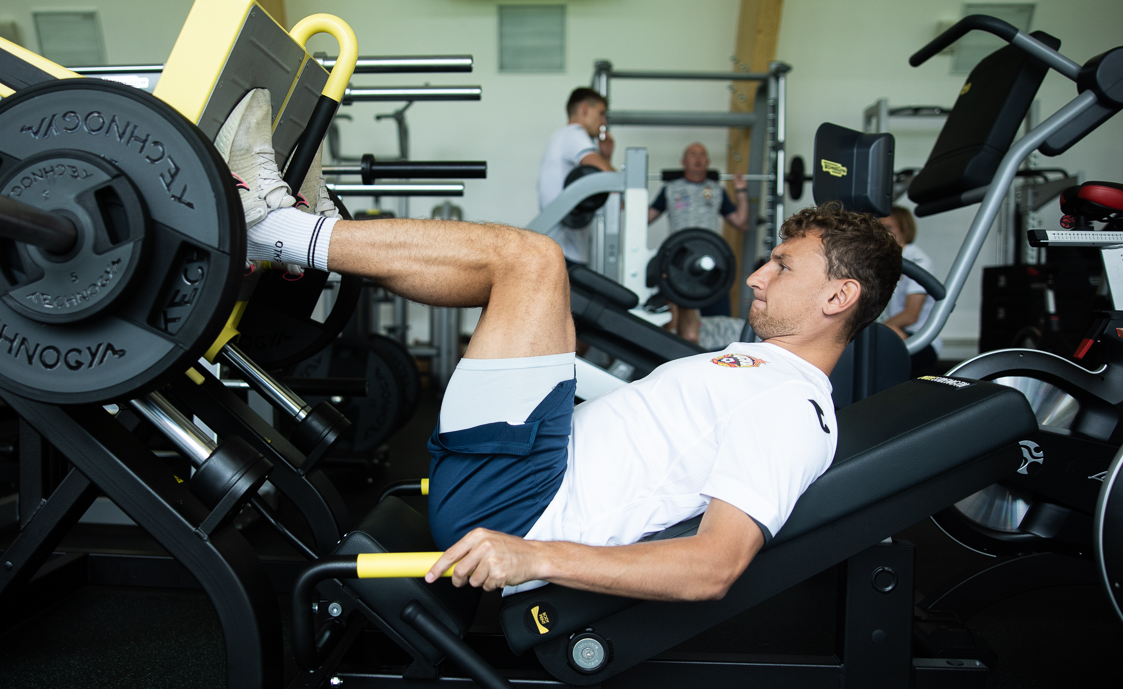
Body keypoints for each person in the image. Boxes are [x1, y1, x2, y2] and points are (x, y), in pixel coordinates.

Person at [222, 89, 903, 603]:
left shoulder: (789, 408)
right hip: (535, 461)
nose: (755, 275)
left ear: (837, 297)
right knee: (522, 276)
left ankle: (275, 228)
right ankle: (304, 235)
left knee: (531, 260)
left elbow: (713, 567)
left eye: (781, 267)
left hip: (518, 505)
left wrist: (534, 557)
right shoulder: (764, 370)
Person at [648, 142, 750, 343]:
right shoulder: (670, 189)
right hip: (679, 263)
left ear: (708, 161)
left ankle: (719, 355)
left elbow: (740, 222)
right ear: (683, 161)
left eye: (702, 154)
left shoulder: (717, 190)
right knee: (678, 324)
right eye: (692, 154)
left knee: (717, 321)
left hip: (712, 263)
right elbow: (643, 218)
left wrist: (741, 190)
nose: (697, 158)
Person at [536, 88, 615, 265]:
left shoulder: (561, 136)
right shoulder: (574, 133)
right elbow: (609, 178)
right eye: (601, 113)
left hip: (562, 249)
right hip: (563, 252)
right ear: (584, 109)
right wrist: (606, 162)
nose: (603, 122)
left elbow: (601, 179)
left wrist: (606, 157)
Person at [880, 206, 941, 376]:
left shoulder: (919, 262)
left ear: (904, 229)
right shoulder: (885, 261)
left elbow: (911, 315)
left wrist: (876, 330)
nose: (882, 233)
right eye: (879, 228)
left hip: (920, 339)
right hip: (896, 331)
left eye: (888, 227)